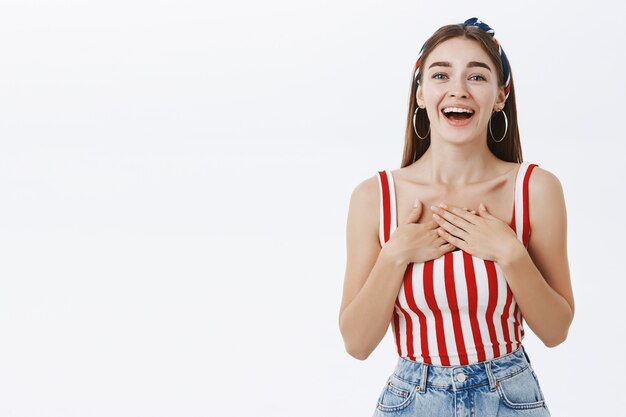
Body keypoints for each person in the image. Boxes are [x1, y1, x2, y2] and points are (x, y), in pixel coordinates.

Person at [338, 17, 575, 416]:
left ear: (501, 96)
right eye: (441, 74)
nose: (458, 90)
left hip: (510, 399)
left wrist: (510, 253)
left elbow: (556, 331)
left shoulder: (535, 189)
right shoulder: (374, 198)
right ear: (420, 94)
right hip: (413, 401)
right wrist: (395, 255)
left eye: (477, 77)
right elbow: (356, 344)